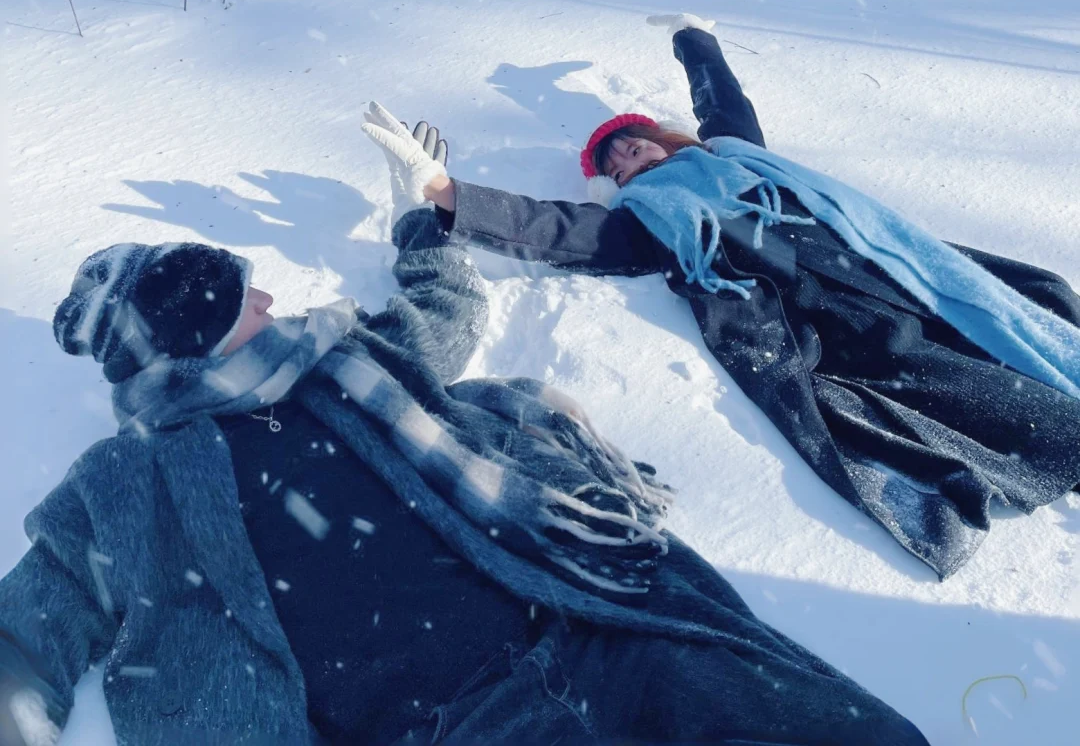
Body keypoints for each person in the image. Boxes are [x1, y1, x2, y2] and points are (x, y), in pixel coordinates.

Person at [0, 188, 926, 744]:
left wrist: (426, 230)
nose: (275, 298)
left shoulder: (342, 366)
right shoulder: (123, 486)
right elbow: (20, 641)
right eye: (243, 299)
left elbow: (440, 316)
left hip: (591, 628)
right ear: (188, 342)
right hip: (451, 726)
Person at [362, 14, 1080, 581]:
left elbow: (723, 102)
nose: (628, 159)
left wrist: (693, 37)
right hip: (826, 304)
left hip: (881, 256)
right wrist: (444, 192)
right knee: (946, 377)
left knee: (1003, 310)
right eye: (614, 164)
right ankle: (1059, 435)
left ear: (662, 141)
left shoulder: (734, 152)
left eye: (635, 145)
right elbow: (556, 231)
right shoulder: (645, 221)